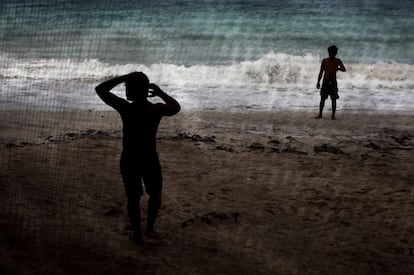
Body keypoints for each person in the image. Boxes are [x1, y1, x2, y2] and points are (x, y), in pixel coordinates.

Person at [95, 72, 181, 245]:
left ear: (133, 90)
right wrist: (160, 92)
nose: (125, 90)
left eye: (127, 87)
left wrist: (123, 77)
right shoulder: (155, 109)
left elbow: (101, 89)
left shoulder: (127, 108)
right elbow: (175, 107)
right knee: (155, 193)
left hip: (130, 158)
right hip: (149, 157)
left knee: (133, 198)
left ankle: (137, 234)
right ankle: (149, 227)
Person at [316, 45, 346, 120]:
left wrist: (338, 68)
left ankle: (332, 116)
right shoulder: (325, 61)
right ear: (329, 52)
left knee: (333, 99)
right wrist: (318, 82)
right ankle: (320, 114)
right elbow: (321, 72)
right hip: (325, 82)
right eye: (331, 53)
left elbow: (344, 69)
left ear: (335, 53)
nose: (332, 54)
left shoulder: (337, 61)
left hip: (333, 82)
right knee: (322, 99)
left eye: (334, 53)